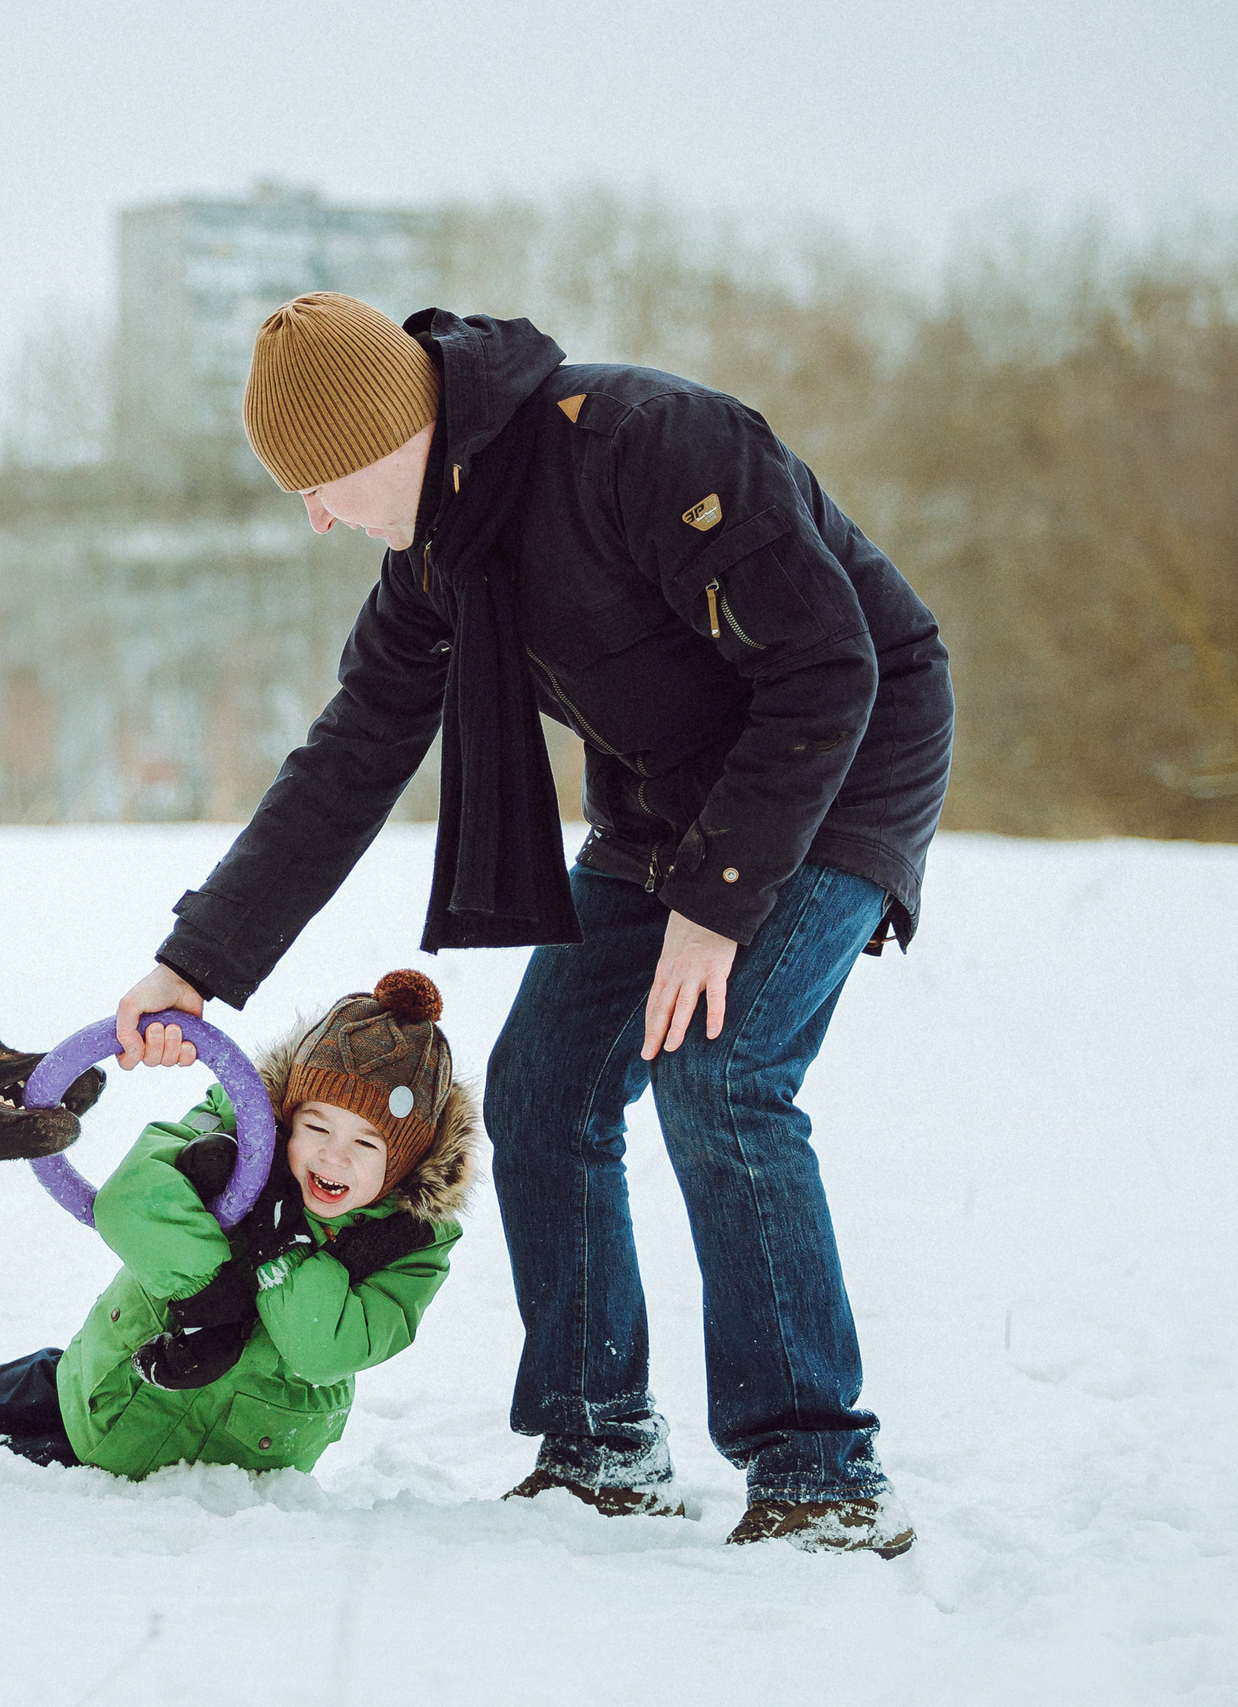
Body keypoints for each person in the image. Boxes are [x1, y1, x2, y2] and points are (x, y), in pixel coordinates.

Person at [114, 294, 952, 1557]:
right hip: (663, 808)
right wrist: (194, 963)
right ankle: (597, 1442)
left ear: (396, 433)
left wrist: (715, 909)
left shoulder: (648, 444)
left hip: (839, 770)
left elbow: (830, 667)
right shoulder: (435, 562)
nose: (316, 516)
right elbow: (347, 762)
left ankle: (819, 1472)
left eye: (324, 483)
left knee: (721, 1072)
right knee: (546, 1088)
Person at [0, 971, 474, 1478]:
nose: (333, 1156)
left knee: (13, 1478)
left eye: (366, 1144)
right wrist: (209, 1299)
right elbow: (130, 1197)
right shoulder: (240, 1131)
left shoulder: (412, 1244)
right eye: (317, 1128)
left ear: (405, 1160)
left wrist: (279, 1246)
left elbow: (324, 1351)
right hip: (108, 1387)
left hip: (223, 1462)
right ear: (287, 1116)